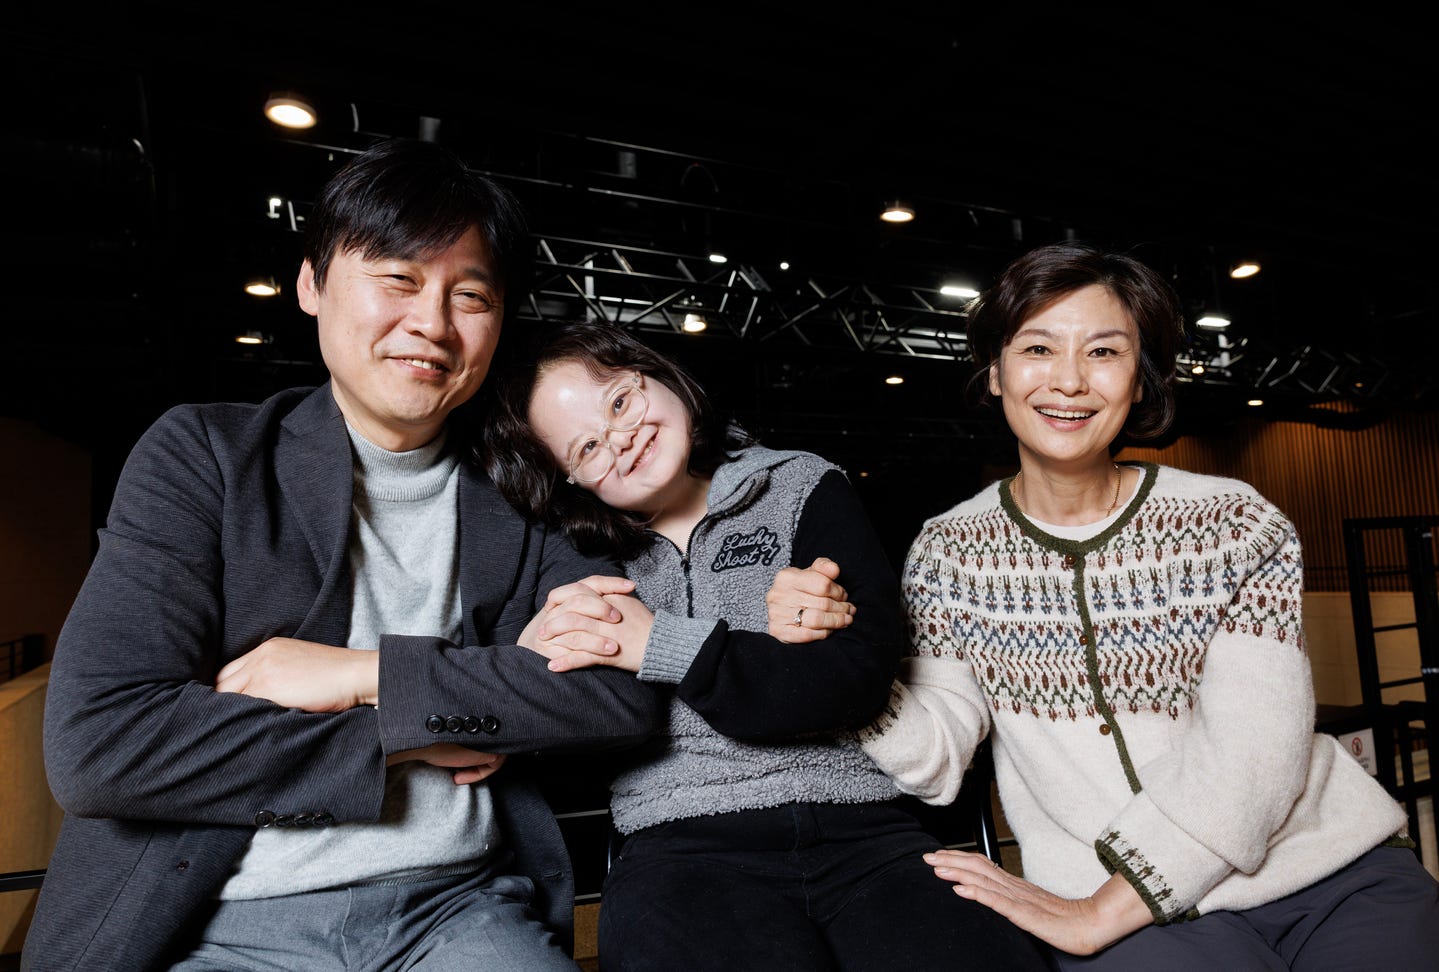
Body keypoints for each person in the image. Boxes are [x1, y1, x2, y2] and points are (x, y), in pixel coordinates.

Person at [28, 139, 661, 972]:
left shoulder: (531, 484)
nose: (432, 324)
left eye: (469, 294)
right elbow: (103, 744)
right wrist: (405, 734)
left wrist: (366, 676)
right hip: (215, 922)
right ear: (311, 285)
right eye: (397, 279)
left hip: (456, 909)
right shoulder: (205, 455)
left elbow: (614, 698)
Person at [842, 241, 1439, 968]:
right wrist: (836, 654)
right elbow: (932, 759)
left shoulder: (1232, 522)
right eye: (1036, 347)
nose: (1067, 381)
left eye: (1102, 352)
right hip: (1122, 916)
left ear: (1139, 380)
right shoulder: (947, 552)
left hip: (1324, 874)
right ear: (995, 373)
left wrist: (1103, 912)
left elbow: (1255, 752)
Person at [483, 321, 1048, 971]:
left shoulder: (800, 486)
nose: (620, 438)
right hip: (681, 846)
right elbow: (590, 732)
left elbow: (849, 682)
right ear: (570, 481)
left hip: (863, 827)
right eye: (586, 448)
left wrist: (658, 643)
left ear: (655, 374)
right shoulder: (583, 559)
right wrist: (533, 655)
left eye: (619, 401)